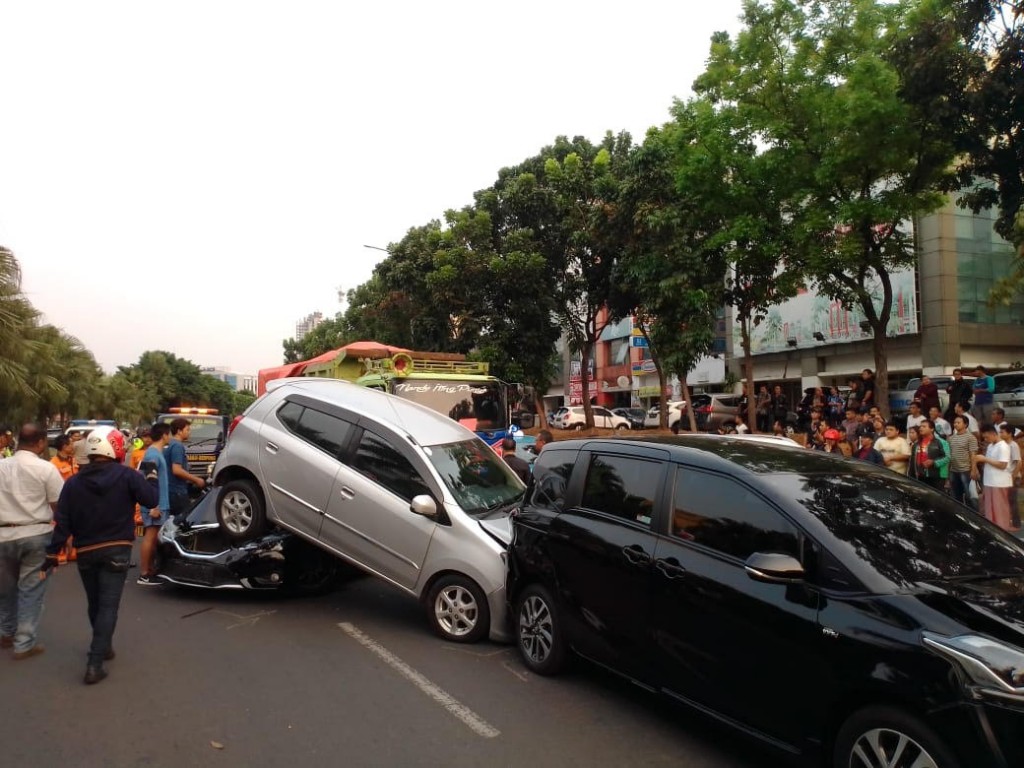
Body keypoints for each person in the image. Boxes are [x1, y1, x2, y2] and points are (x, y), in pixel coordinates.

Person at [41, 426, 160, 684]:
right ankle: (95, 662)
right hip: (117, 548)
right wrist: (151, 476)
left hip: (85, 551)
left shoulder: (73, 483)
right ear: (115, 448)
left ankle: (102, 645)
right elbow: (151, 500)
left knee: (95, 603)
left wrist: (52, 553)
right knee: (108, 606)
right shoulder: (127, 476)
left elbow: (63, 521)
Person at [0, 424, 64, 659]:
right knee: (31, 589)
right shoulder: (46, 469)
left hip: (3, 535)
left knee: (5, 589)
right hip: (36, 535)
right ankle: (24, 643)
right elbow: (59, 505)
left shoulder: (1, 466)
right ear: (40, 443)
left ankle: (6, 632)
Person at [137, 423, 171, 585]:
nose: (169, 437)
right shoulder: (152, 455)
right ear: (164, 435)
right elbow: (148, 482)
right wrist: (153, 506)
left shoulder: (155, 453)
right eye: (168, 434)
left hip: (158, 503)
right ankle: (144, 574)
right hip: (155, 505)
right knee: (150, 537)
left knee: (153, 537)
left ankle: (150, 569)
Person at [973, 424, 1013, 531]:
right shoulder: (991, 446)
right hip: (989, 482)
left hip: (1000, 483)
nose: (985, 439)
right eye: (984, 438)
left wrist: (985, 459)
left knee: (1000, 509)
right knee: (990, 509)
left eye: (987, 437)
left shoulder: (1003, 446)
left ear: (993, 434)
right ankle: (992, 530)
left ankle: (1003, 531)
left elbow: (1002, 465)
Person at [164, 418, 205, 523]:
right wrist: (196, 479)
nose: (189, 432)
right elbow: (176, 470)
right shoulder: (177, 446)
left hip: (170, 490)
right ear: (179, 431)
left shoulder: (170, 444)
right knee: (184, 522)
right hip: (177, 492)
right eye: (187, 430)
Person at [947, 416, 980, 509]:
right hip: (954, 470)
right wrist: (948, 471)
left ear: (965, 424)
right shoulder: (951, 438)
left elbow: (973, 455)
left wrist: (973, 470)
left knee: (970, 496)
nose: (956, 424)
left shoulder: (971, 437)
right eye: (955, 422)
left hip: (966, 470)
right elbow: (949, 455)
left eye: (958, 422)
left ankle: (974, 516)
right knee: (955, 496)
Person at [908, 419, 949, 490]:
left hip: (937, 476)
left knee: (936, 499)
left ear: (932, 429)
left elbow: (947, 457)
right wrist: (911, 476)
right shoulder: (916, 444)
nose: (921, 428)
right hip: (920, 476)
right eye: (920, 426)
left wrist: (933, 462)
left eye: (924, 426)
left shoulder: (941, 442)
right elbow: (912, 462)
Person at [1000, 423, 1022, 530]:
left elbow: (1018, 463)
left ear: (1009, 434)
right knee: (1006, 500)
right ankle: (1007, 521)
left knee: (1012, 501)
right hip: (1005, 477)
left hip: (1013, 477)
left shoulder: (1013, 445)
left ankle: (1016, 524)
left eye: (1002, 432)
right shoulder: (1003, 445)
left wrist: (1013, 478)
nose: (1000, 434)